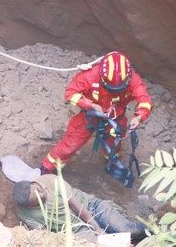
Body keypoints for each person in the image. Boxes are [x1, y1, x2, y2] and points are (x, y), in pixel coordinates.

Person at [40, 51, 152, 175]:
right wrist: (91, 105)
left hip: (115, 119)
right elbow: (70, 94)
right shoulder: (89, 75)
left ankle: (113, 165)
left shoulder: (133, 80)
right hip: (90, 117)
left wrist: (139, 116)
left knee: (113, 147)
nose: (113, 92)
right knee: (70, 144)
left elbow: (145, 100)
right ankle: (48, 166)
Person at [12, 174, 147, 242]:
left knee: (130, 231)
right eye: (38, 199)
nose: (42, 195)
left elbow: (77, 206)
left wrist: (99, 230)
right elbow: (45, 234)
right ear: (29, 206)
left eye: (39, 190)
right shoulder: (25, 213)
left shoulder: (51, 180)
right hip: (77, 231)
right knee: (115, 243)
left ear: (33, 183)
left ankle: (155, 231)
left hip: (91, 207)